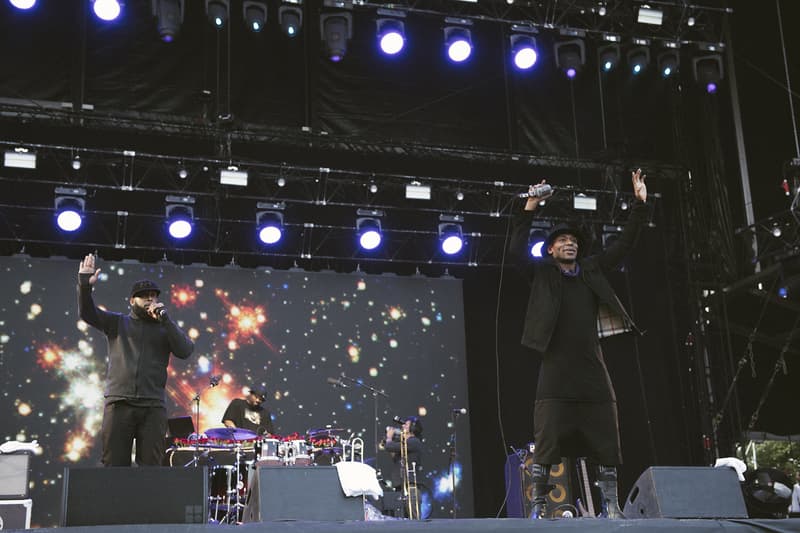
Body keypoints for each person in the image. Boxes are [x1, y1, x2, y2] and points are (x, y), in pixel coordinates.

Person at [509, 169, 648, 519]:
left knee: (607, 437)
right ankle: (538, 507)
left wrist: (639, 204)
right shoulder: (542, 274)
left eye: (573, 240)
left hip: (591, 370)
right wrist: (530, 206)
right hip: (555, 371)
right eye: (561, 241)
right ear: (551, 249)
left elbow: (624, 244)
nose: (569, 243)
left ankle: (611, 505)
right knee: (546, 442)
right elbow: (515, 250)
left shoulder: (591, 270)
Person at [77, 254, 195, 466]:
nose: (150, 299)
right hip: (120, 403)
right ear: (132, 301)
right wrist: (85, 286)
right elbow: (87, 313)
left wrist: (166, 320)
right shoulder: (117, 323)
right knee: (114, 465)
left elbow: (185, 350)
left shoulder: (165, 328)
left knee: (151, 466)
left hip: (153, 407)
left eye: (153, 296)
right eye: (143, 296)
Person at [380, 416, 424, 517]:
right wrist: (388, 442)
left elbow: (390, 446)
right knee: (404, 520)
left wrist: (389, 438)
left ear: (413, 428)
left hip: (411, 487)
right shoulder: (405, 444)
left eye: (406, 424)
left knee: (414, 518)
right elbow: (396, 458)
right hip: (402, 486)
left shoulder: (414, 441)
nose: (403, 426)